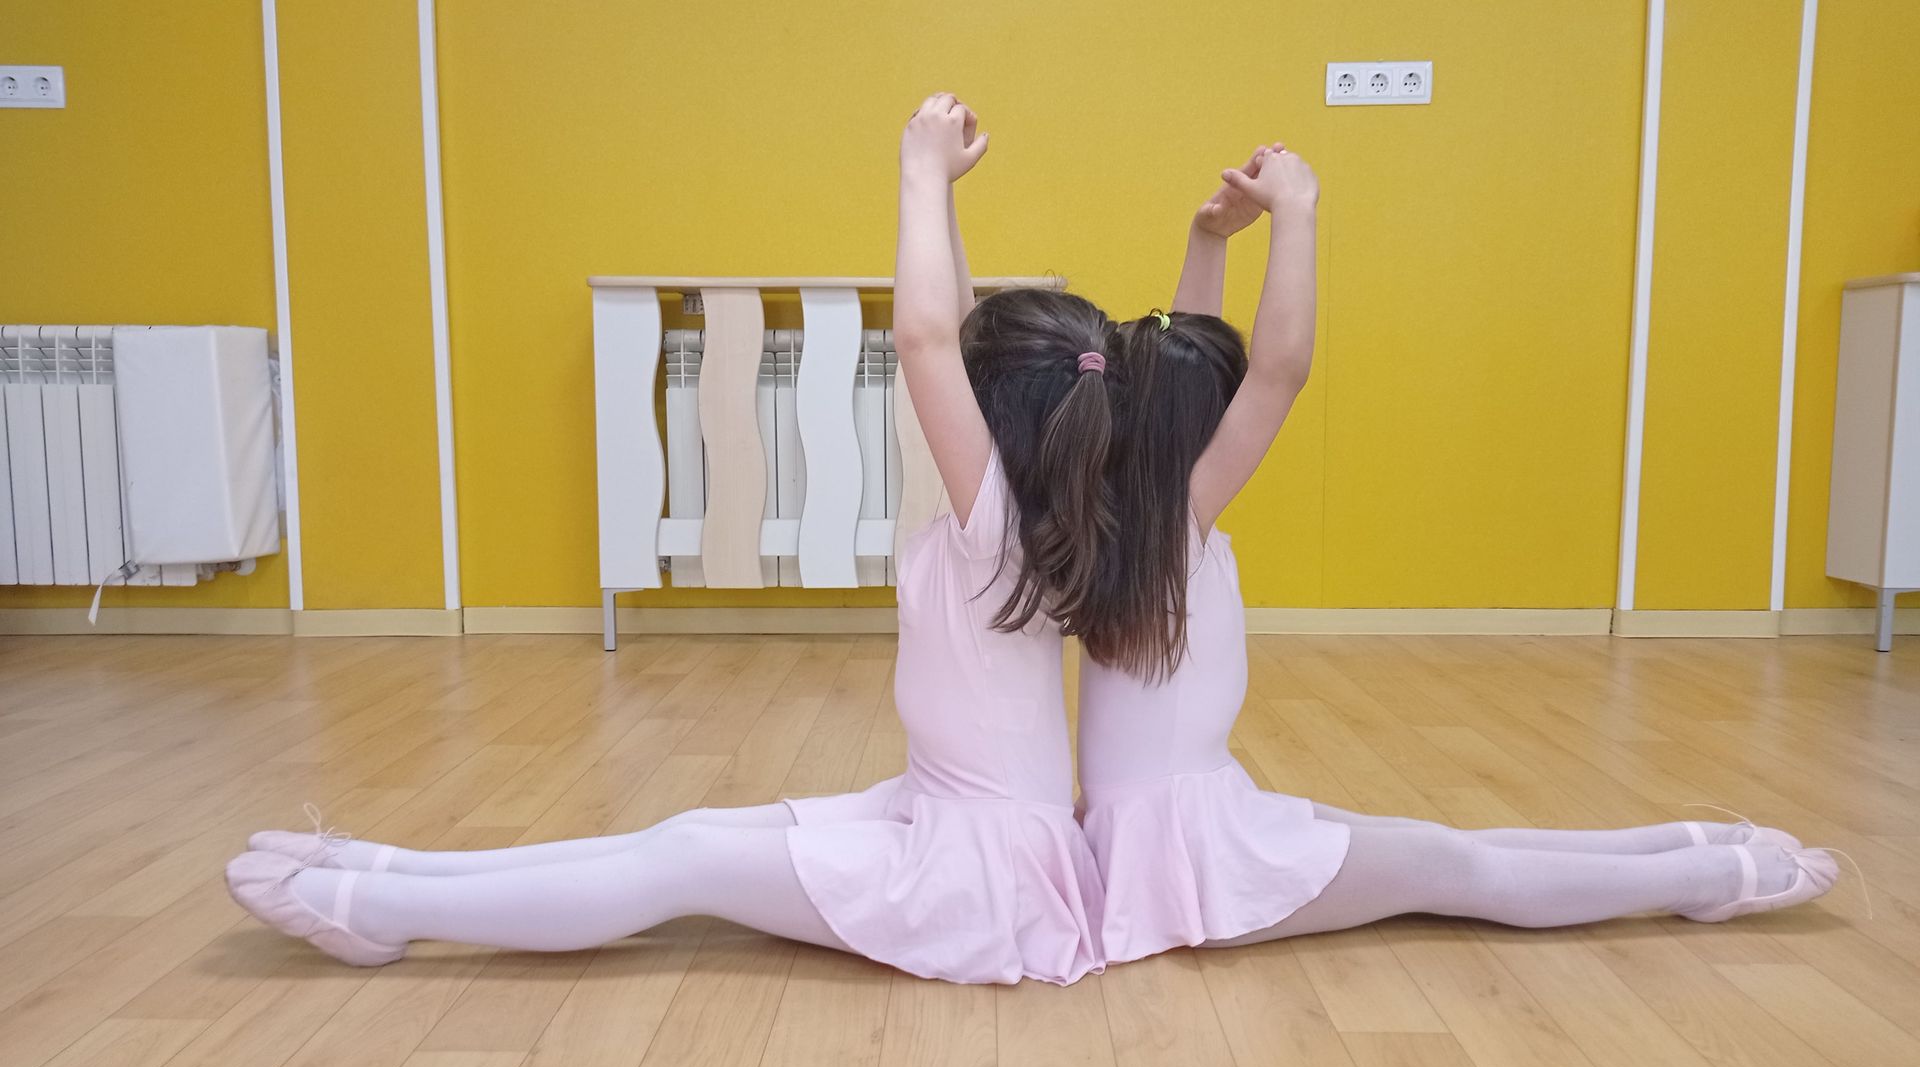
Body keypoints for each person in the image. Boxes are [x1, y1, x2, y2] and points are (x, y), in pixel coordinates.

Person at [225, 93, 1108, 986]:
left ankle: (382, 913)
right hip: (948, 817)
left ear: (990, 406)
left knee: (681, 864)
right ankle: (398, 872)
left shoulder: (996, 522)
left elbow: (925, 339)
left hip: (974, 876)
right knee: (683, 833)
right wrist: (947, 197)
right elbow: (952, 333)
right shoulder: (1028, 502)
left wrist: (917, 172)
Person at [1074, 142, 1840, 963]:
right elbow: (1280, 370)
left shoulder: (1132, 508)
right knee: (1453, 868)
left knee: (1432, 842)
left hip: (1184, 822)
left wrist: (1210, 239)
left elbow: (1179, 372)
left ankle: (1675, 843)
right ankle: (1705, 878)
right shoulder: (1175, 519)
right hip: (1191, 850)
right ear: (1199, 424)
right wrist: (1296, 213)